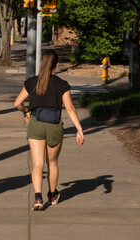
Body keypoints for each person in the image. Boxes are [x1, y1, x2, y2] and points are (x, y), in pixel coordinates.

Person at [14, 50, 84, 211]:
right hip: (54, 126)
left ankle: (38, 198)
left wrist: (26, 111)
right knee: (52, 163)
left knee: (37, 163)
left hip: (36, 124)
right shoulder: (62, 84)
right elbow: (70, 108)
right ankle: (52, 195)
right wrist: (79, 129)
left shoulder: (32, 82)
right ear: (57, 65)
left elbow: (17, 103)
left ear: (41, 63)